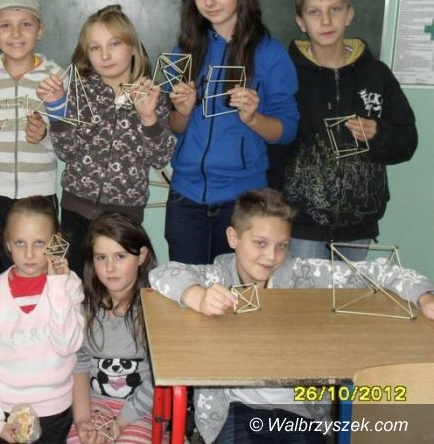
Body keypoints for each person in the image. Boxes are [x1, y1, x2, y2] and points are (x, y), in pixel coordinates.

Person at [149, 188, 434, 444]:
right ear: (233, 238)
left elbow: (382, 271)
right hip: (235, 411)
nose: (271, 256)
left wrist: (424, 296)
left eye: (282, 245)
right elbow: (161, 273)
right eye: (260, 243)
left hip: (300, 411)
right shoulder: (217, 277)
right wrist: (198, 296)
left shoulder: (301, 275)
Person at [165, 0, 299, 266]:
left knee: (238, 294)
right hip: (186, 198)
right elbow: (173, 126)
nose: (210, 0)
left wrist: (253, 118)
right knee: (188, 289)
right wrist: (182, 113)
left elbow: (287, 130)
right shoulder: (183, 51)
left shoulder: (270, 53)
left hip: (243, 203)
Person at [280, 0, 417, 261]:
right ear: (301, 22)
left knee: (350, 291)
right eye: (314, 12)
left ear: (349, 15)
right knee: (303, 291)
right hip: (301, 225)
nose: (326, 21)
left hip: (359, 224)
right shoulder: (286, 75)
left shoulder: (377, 75)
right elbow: (274, 144)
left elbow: (407, 141)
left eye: (335, 9)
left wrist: (378, 133)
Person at [36, 5, 175, 277]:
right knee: (75, 281)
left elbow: (161, 158)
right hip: (76, 209)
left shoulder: (151, 94)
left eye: (114, 44)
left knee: (116, 282)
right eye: (95, 48)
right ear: (86, 54)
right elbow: (66, 151)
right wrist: (56, 108)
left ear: (133, 47)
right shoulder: (79, 91)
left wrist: (148, 118)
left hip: (124, 215)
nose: (105, 55)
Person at [0, 196, 85, 443]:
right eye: (19, 242)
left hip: (54, 409)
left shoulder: (69, 285)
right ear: (7, 243)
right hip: (4, 409)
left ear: (55, 243)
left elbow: (67, 346)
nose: (29, 253)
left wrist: (57, 288)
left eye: (39, 243)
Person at [0, 0, 62, 275]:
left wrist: (45, 137)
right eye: (5, 25)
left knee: (42, 268)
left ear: (40, 30)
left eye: (26, 24)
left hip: (40, 193)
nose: (16, 34)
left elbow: (67, 142)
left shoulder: (56, 78)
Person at [68, 213, 168, 444]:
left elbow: (157, 379)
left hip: (142, 411)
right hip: (93, 405)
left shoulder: (156, 310)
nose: (110, 267)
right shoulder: (83, 307)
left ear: (141, 256)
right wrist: (82, 421)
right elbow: (79, 366)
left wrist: (120, 423)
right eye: (101, 257)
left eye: (120, 256)